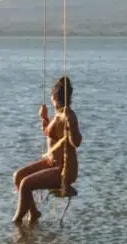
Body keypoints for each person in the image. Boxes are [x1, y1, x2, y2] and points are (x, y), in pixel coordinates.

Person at [12, 75, 82, 224]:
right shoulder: (57, 115)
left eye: (51, 94)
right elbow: (51, 134)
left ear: (55, 96)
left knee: (25, 184)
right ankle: (34, 213)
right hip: (51, 162)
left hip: (64, 170)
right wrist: (44, 118)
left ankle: (16, 221)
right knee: (18, 176)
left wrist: (72, 125)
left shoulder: (67, 115)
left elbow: (76, 142)